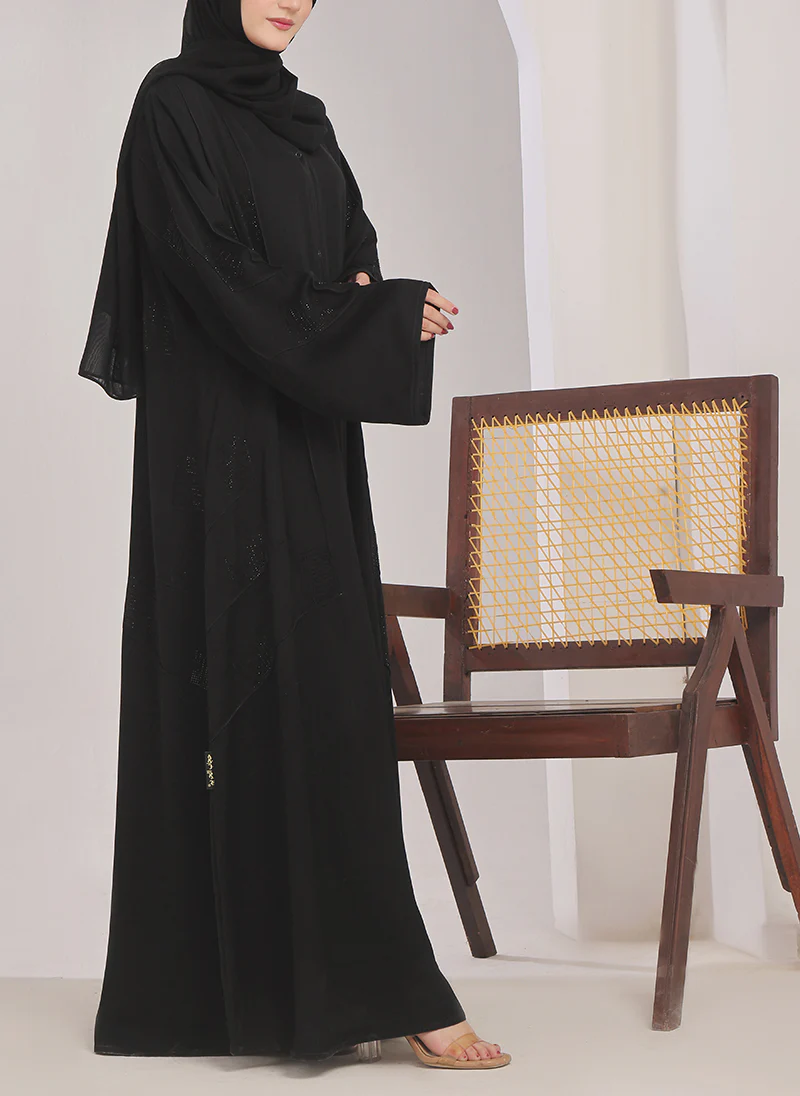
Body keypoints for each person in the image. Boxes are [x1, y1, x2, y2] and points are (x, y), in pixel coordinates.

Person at [78, 0, 510, 1070]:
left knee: (331, 701)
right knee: (238, 685)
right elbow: (209, 272)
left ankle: (368, 986)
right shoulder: (172, 107)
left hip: (310, 449)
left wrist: (379, 307)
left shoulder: (307, 122)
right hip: (216, 455)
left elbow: (347, 264)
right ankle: (242, 1000)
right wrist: (362, 312)